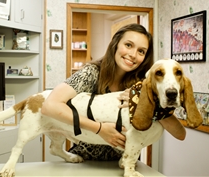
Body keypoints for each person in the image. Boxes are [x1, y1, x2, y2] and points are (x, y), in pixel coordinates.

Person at [41, 23, 186, 160]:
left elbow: (180, 134)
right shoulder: (91, 73)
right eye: (128, 45)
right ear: (115, 44)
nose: (133, 54)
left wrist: (143, 103)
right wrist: (99, 129)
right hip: (84, 160)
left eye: (141, 51)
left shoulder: (143, 85)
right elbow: (50, 106)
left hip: (125, 163)